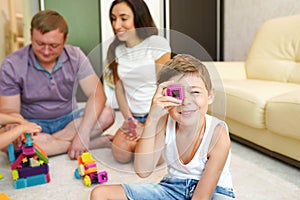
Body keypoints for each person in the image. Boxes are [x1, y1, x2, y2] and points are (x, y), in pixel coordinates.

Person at [90, 54, 236, 200]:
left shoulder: (218, 135)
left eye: (195, 92)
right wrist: (152, 119)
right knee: (100, 194)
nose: (186, 102)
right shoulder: (165, 123)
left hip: (214, 193)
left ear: (210, 96)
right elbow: (143, 170)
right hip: (172, 188)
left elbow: (201, 197)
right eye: (176, 93)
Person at [0, 10, 114, 160]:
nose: (46, 51)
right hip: (32, 124)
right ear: (31, 35)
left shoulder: (76, 56)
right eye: (40, 44)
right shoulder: (12, 64)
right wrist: (16, 125)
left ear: (65, 39)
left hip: (68, 120)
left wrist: (84, 133)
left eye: (53, 45)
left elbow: (97, 94)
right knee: (8, 139)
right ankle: (86, 144)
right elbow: (9, 110)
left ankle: (57, 144)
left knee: (107, 114)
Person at [106, 0, 171, 163]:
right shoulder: (116, 50)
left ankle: (168, 138)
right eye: (113, 19)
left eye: (123, 18)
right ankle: (143, 142)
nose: (116, 25)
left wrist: (149, 125)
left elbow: (164, 88)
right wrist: (130, 120)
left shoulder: (157, 44)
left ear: (138, 17)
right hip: (134, 117)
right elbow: (119, 90)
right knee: (120, 155)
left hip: (158, 116)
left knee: (148, 159)